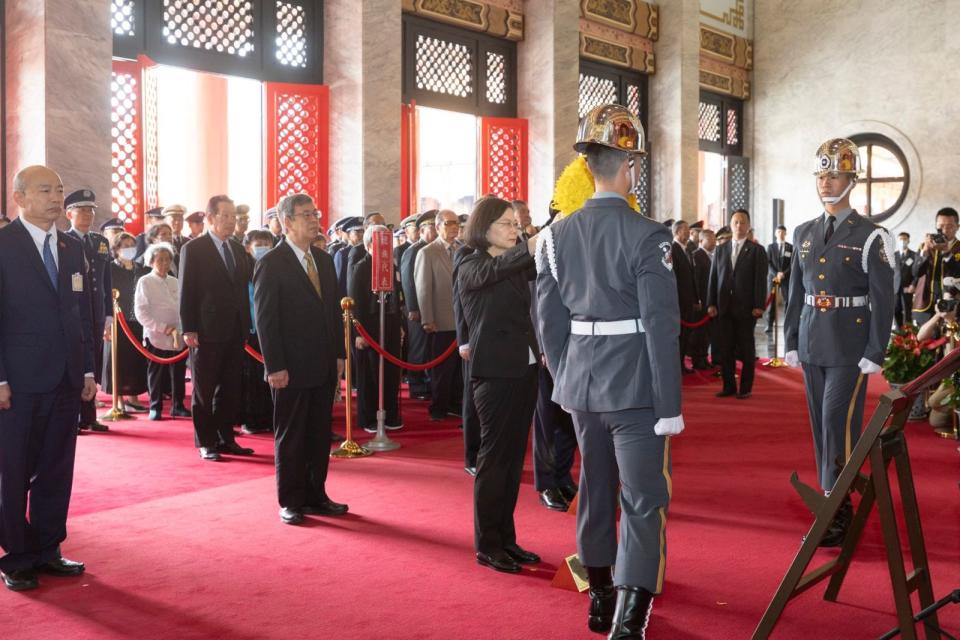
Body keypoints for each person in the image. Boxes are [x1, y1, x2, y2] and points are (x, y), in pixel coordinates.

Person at [537, 105, 683, 637]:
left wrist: (566, 377)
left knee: (594, 490)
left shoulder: (554, 236)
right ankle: (628, 619)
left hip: (582, 386)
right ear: (629, 169)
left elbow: (548, 321)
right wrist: (669, 407)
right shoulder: (650, 235)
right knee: (643, 500)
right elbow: (662, 327)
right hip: (636, 389)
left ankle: (599, 598)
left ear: (589, 166)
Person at [783, 138, 895, 547]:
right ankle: (833, 500)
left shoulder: (871, 236)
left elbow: (883, 299)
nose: (826, 182)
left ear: (852, 180)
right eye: (822, 175)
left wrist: (875, 350)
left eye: (835, 175)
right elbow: (796, 292)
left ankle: (837, 509)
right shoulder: (805, 232)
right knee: (820, 427)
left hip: (850, 345)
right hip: (813, 339)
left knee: (837, 423)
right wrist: (791, 337)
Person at [0, 165, 97, 592]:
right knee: (13, 471)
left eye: (58, 190)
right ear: (19, 197)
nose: (56, 197)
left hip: (66, 377)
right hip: (17, 381)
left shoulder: (73, 248)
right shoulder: (4, 245)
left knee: (57, 468)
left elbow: (83, 315)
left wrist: (89, 369)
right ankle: (16, 556)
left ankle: (47, 547)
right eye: (45, 190)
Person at [253, 193, 348, 525]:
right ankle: (291, 500)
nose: (314, 220)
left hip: (322, 364)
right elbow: (266, 320)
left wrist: (339, 355)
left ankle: (316, 494)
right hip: (289, 368)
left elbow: (333, 314)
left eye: (316, 213)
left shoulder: (322, 259)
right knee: (292, 434)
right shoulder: (270, 262)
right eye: (306, 215)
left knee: (319, 432)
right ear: (286, 221)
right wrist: (274, 365)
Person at [458, 197, 541, 574]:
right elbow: (494, 270)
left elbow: (534, 269)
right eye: (506, 224)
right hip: (494, 374)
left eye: (516, 224)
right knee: (493, 461)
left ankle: (507, 538)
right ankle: (488, 544)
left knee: (511, 462)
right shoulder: (469, 261)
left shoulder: (511, 262)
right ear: (484, 227)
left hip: (523, 369)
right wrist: (531, 246)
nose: (515, 229)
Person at [179, 195, 255, 461]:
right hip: (205, 330)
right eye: (226, 216)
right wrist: (188, 328)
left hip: (235, 329)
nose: (231, 221)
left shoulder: (236, 249)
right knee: (205, 389)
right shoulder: (194, 249)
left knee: (230, 387)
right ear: (210, 218)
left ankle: (226, 438)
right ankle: (206, 441)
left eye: (234, 216)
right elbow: (186, 291)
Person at [65, 189, 113, 433]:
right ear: (69, 214)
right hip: (75, 312)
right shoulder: (64, 242)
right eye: (82, 209)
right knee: (77, 360)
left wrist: (109, 315)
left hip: (97, 310)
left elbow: (106, 281)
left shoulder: (100, 242)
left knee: (92, 362)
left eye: (91, 210)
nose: (87, 214)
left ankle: (90, 415)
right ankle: (74, 415)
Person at [707, 210, 768, 399]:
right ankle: (728, 386)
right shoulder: (721, 249)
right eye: (735, 222)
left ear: (748, 226)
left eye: (742, 223)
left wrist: (759, 305)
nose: (739, 226)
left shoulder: (757, 250)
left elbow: (760, 280)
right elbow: (713, 277)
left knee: (746, 349)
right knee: (725, 348)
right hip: (724, 307)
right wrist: (711, 303)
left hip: (746, 308)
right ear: (730, 224)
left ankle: (745, 388)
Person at [349, 224, 404, 433]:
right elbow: (355, 303)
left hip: (389, 324)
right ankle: (369, 416)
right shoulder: (361, 267)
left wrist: (399, 326)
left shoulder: (391, 266)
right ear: (370, 244)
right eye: (381, 242)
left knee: (391, 371)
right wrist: (359, 333)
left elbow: (398, 298)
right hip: (369, 328)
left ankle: (390, 413)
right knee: (370, 373)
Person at [415, 209, 464, 421]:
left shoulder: (464, 249)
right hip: (440, 319)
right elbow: (423, 288)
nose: (454, 227)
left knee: (458, 369)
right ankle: (438, 407)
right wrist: (427, 318)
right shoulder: (427, 252)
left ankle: (455, 403)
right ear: (437, 227)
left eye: (457, 223)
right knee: (442, 370)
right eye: (449, 223)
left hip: (463, 320)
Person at [134, 242, 188, 420]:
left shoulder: (175, 280)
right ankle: (155, 406)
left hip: (177, 334)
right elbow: (141, 312)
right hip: (156, 334)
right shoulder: (145, 281)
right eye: (160, 260)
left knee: (178, 372)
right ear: (151, 262)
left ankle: (178, 405)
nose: (165, 263)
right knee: (156, 371)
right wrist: (162, 327)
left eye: (167, 260)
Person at [102, 232, 149, 412]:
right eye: (124, 246)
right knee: (118, 361)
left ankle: (133, 398)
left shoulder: (141, 268)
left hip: (137, 321)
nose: (129, 249)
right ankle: (118, 400)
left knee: (135, 361)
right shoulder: (111, 269)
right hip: (116, 322)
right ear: (116, 250)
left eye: (132, 245)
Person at [237, 230, 276, 435]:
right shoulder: (242, 269)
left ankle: (271, 416)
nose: (262, 246)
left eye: (266, 242)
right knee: (251, 377)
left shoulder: (276, 266)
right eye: (258, 243)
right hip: (250, 331)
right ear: (247, 247)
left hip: (271, 330)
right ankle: (251, 419)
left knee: (273, 375)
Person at [399, 211, 437, 400]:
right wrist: (413, 307)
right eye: (432, 227)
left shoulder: (436, 248)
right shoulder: (413, 250)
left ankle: (429, 383)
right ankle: (417, 385)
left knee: (431, 348)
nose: (436, 231)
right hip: (418, 309)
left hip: (434, 307)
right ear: (422, 230)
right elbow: (408, 281)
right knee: (419, 347)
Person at [452, 239, 481, 476]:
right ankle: (472, 456)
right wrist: (464, 339)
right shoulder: (466, 252)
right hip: (473, 337)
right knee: (472, 399)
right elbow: (458, 299)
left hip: (498, 339)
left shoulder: (508, 249)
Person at [912, 207, 960, 326]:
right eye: (940, 226)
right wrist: (924, 253)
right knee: (922, 342)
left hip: (952, 304)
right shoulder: (925, 245)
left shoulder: (958, 247)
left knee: (950, 341)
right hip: (924, 302)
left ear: (957, 227)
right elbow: (916, 273)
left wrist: (947, 253)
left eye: (949, 226)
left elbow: (957, 272)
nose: (944, 230)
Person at [671, 220, 698, 374]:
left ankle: (681, 364)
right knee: (679, 336)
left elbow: (691, 277)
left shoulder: (686, 250)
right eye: (685, 230)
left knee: (686, 335)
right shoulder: (673, 250)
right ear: (677, 232)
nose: (688, 233)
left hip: (687, 301)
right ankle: (676, 367)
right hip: (678, 302)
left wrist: (695, 299)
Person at [689, 228, 717, 370]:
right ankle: (697, 359)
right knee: (699, 333)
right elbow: (696, 281)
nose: (714, 242)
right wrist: (698, 300)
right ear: (701, 241)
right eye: (710, 240)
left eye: (714, 239)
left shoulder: (711, 256)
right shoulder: (696, 256)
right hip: (701, 302)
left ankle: (704, 358)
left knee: (708, 333)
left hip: (710, 302)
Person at [766, 225, 793, 333]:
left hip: (785, 278)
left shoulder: (790, 247)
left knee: (788, 300)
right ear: (775, 233)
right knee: (771, 300)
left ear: (785, 233)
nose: (780, 234)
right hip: (774, 278)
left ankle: (788, 323)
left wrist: (783, 274)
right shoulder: (771, 247)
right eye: (778, 232)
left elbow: (792, 263)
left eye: (782, 232)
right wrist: (776, 274)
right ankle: (769, 325)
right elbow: (768, 263)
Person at [894, 231, 916, 327]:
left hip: (907, 288)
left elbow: (917, 273)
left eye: (904, 239)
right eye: (900, 239)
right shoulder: (893, 256)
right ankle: (898, 334)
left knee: (907, 312)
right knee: (895, 311)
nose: (902, 241)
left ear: (908, 240)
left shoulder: (914, 255)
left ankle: (909, 336)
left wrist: (913, 285)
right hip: (895, 289)